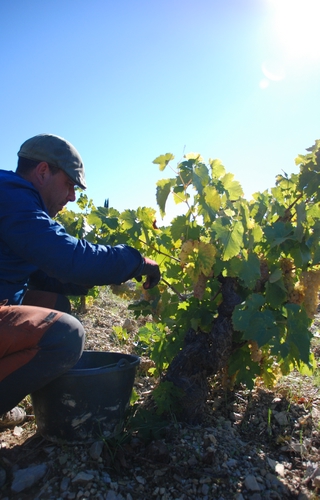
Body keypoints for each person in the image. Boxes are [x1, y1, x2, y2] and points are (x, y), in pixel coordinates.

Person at [0, 133, 160, 428]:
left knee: (54, 305)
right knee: (65, 335)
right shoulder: (11, 197)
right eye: (70, 185)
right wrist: (136, 261)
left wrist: (102, 278)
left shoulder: (14, 198)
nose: (72, 197)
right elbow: (69, 257)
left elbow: (47, 273)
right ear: (44, 171)